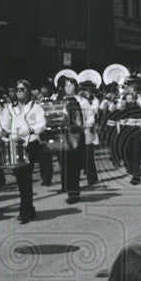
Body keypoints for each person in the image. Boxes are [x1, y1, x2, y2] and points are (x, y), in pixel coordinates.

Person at [0, 79, 45, 223]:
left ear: (28, 91)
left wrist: (31, 130)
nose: (20, 91)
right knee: (21, 178)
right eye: (18, 89)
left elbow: (42, 124)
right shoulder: (9, 108)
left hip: (30, 143)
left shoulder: (35, 107)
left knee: (25, 177)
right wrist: (1, 133)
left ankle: (25, 210)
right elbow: (4, 125)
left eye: (23, 89)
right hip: (14, 144)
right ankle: (28, 208)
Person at [59, 76, 85, 204]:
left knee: (73, 165)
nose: (68, 88)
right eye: (66, 86)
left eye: (70, 85)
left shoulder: (75, 101)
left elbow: (78, 120)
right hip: (66, 135)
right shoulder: (64, 101)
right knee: (67, 164)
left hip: (74, 135)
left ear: (76, 87)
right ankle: (70, 190)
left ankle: (74, 193)